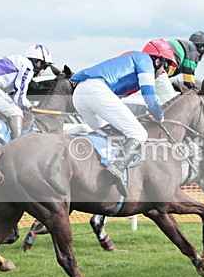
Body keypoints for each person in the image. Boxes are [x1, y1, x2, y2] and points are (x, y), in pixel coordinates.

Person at [71, 39, 177, 196]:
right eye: (166, 66)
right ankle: (116, 170)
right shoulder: (145, 61)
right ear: (157, 60)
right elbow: (150, 96)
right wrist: (159, 116)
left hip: (80, 95)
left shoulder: (135, 60)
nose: (164, 72)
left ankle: (92, 168)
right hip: (96, 91)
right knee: (139, 134)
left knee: (109, 134)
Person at [154, 31, 204, 101]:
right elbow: (188, 82)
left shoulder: (186, 47)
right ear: (202, 47)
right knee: (172, 104)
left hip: (151, 71)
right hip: (158, 72)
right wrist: (200, 92)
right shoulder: (194, 52)